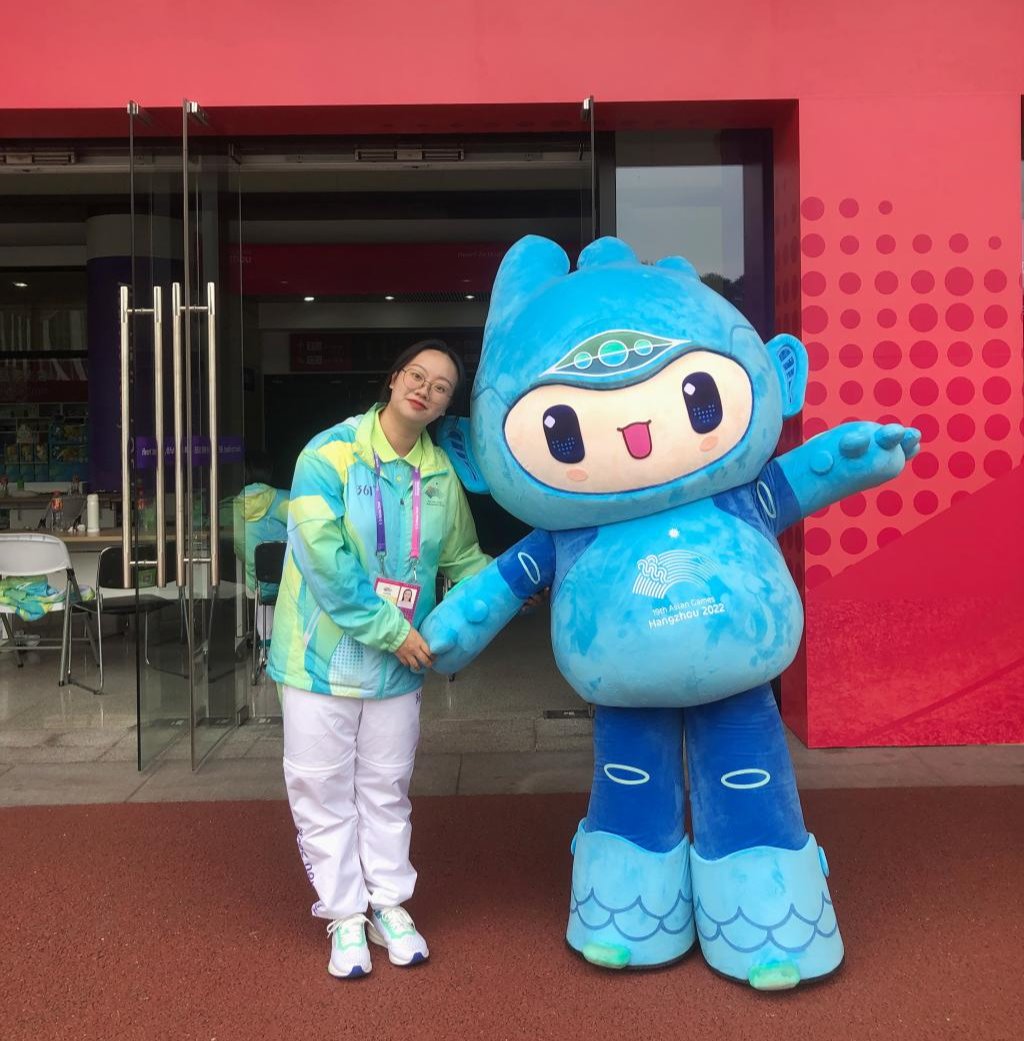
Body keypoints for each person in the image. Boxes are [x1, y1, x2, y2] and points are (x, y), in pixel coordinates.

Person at [267, 338, 491, 979]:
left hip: (397, 668)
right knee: (322, 789)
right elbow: (326, 565)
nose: (425, 390)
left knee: (386, 789)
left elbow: (463, 560)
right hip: (319, 660)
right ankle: (344, 913)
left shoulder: (442, 476)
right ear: (393, 380)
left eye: (441, 387)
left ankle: (389, 902)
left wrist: (513, 585)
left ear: (446, 406)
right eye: (417, 376)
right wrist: (394, 632)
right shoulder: (328, 454)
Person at [232, 451, 289, 640]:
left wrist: (251, 560)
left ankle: (265, 645)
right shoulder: (283, 498)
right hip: (286, 579)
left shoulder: (237, 503)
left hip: (256, 580)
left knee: (262, 597)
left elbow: (239, 545)